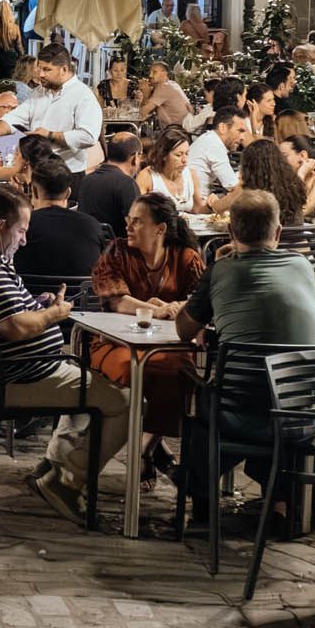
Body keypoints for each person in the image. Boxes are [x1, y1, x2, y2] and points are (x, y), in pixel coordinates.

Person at [0, 186, 129, 524]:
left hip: (10, 372)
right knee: (128, 403)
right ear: (0, 227)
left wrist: (36, 305)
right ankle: (68, 481)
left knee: (91, 383)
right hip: (19, 379)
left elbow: (10, 313)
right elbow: (14, 328)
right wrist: (53, 315)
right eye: (22, 230)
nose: (24, 240)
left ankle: (55, 466)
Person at [173, 190, 315, 523]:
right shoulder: (303, 267)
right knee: (270, 396)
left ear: (230, 233)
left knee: (203, 406)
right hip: (301, 415)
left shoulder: (221, 272)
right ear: (278, 232)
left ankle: (201, 506)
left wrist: (217, 267)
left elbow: (184, 329)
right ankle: (282, 503)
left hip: (239, 412)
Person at [90, 193, 206, 485]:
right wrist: (158, 310)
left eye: (138, 221)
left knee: (181, 372)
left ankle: (144, 448)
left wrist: (180, 308)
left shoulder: (186, 258)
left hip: (169, 347)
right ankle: (154, 450)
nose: (128, 226)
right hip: (114, 343)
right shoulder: (117, 251)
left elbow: (201, 302)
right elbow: (115, 300)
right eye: (129, 219)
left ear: (160, 228)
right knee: (134, 370)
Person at [0, 44, 102, 172]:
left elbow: (88, 137)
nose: (41, 74)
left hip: (67, 171)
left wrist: (50, 134)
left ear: (64, 69)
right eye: (39, 69)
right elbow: (16, 117)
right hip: (37, 168)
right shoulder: (39, 91)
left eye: (47, 69)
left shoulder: (83, 96)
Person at [18, 156, 108, 281]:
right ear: (68, 193)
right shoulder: (92, 225)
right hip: (82, 298)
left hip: (30, 297)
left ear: (34, 191)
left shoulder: (20, 226)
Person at [220, 136, 312, 227]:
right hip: (296, 239)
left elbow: (219, 208)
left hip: (264, 240)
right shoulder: (295, 186)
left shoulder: (248, 190)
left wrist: (212, 202)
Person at [75, 131, 143, 236]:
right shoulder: (127, 184)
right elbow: (137, 227)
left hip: (90, 245)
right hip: (116, 249)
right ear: (135, 158)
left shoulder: (87, 180)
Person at [189, 106, 252, 210]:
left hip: (201, 201)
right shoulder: (213, 145)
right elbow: (234, 187)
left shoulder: (210, 140)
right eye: (239, 131)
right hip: (198, 208)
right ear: (222, 128)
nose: (242, 137)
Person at [136, 126, 197, 210]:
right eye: (178, 155)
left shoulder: (191, 174)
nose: (184, 160)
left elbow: (198, 209)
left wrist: (213, 204)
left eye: (186, 154)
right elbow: (138, 212)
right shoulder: (147, 177)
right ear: (163, 155)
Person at [281, 134, 315, 222]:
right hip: (296, 230)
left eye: (284, 156)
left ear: (302, 155)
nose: (280, 161)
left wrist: (301, 174)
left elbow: (300, 211)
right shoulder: (287, 179)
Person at [141, 60, 192, 130]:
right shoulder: (173, 84)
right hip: (185, 129)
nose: (150, 75)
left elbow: (142, 113)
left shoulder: (163, 87)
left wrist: (145, 94)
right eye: (150, 72)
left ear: (165, 73)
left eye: (154, 72)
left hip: (177, 133)